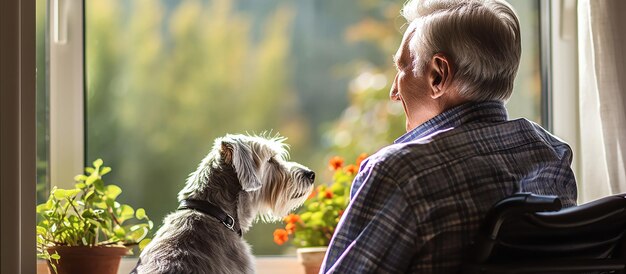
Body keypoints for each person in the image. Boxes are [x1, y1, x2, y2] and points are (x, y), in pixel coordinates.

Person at [320, 0, 578, 273]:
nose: (394, 92)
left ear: (438, 75)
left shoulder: (400, 173)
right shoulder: (553, 155)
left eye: (402, 68)